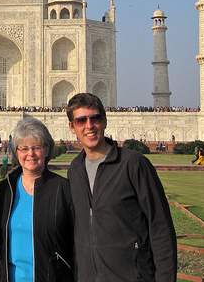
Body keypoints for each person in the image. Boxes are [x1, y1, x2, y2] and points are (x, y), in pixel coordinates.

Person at [66, 93, 177, 281]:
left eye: (95, 118)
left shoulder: (133, 165)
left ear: (105, 121)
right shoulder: (75, 170)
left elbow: (161, 228)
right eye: (81, 120)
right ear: (72, 127)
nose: (89, 126)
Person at [0, 118, 74, 282]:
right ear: (17, 152)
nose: (30, 153)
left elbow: (78, 242)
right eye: (23, 148)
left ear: (46, 149)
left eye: (36, 147)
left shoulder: (63, 190)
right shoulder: (4, 191)